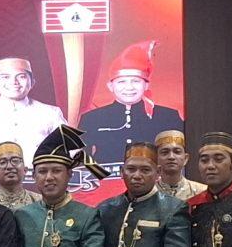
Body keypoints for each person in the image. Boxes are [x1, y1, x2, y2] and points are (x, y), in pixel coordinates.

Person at [78, 40, 183, 169]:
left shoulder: (168, 117)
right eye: (121, 82)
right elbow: (80, 158)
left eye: (135, 81)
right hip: (106, 180)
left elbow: (180, 156)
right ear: (110, 86)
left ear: (146, 85)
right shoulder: (92, 118)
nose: (129, 87)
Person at [0, 56, 66, 158]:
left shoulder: (51, 113)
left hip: (39, 172)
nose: (14, 82)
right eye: (5, 77)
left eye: (21, 76)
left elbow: (70, 151)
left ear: (32, 83)